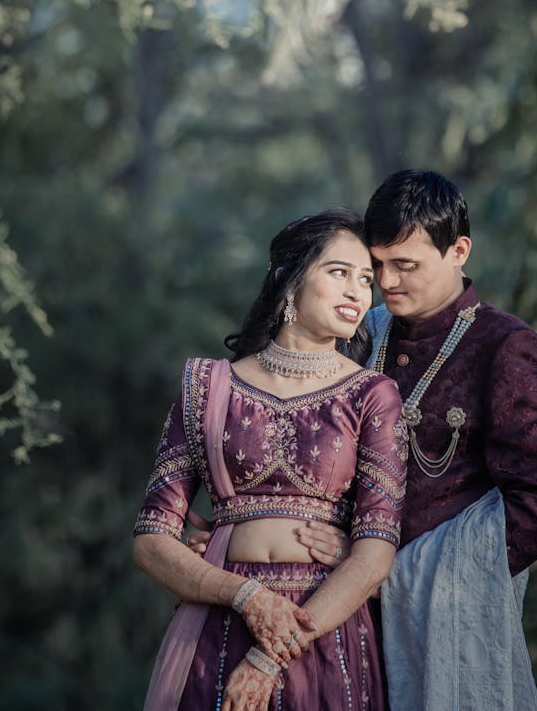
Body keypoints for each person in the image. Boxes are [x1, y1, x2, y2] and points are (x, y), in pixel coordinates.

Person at [295, 170, 537, 710]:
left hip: (437, 634)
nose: (387, 281)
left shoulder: (503, 345)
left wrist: (384, 575)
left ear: (459, 250)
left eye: (406, 265)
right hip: (323, 615)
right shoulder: (361, 332)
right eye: (377, 265)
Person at [133, 208, 408, 711]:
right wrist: (247, 597)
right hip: (217, 624)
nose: (357, 292)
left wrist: (269, 658)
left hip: (324, 636)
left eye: (366, 279)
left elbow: (374, 556)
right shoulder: (207, 387)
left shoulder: (373, 395)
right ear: (289, 278)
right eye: (339, 272)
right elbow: (152, 540)